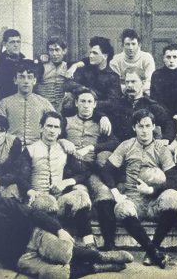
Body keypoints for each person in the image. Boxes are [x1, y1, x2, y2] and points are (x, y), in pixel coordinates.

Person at [0, 177, 133, 278]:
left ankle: (102, 256)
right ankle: (97, 267)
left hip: (34, 236)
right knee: (57, 275)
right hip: (17, 258)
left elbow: (33, 213)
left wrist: (58, 230)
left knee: (64, 253)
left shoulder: (1, 203)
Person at [101, 109, 177, 268]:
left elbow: (174, 180)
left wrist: (152, 190)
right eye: (140, 126)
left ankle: (152, 249)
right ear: (134, 127)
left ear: (153, 127)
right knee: (122, 208)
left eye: (147, 126)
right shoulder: (126, 145)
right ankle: (153, 252)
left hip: (155, 200)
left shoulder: (161, 148)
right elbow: (106, 170)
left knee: (173, 196)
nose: (144, 131)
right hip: (133, 198)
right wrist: (116, 193)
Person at [17, 111, 95, 248]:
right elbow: (21, 178)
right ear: (41, 127)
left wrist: (67, 182)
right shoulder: (30, 150)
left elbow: (85, 172)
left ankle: (90, 244)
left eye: (56, 127)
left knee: (81, 196)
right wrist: (30, 191)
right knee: (48, 202)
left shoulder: (64, 149)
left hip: (59, 200)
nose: (52, 130)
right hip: (38, 201)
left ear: (60, 131)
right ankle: (64, 245)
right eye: (49, 126)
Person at [64, 87, 119, 250]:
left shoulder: (100, 123)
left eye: (89, 102)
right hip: (72, 171)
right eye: (82, 101)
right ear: (76, 103)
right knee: (80, 195)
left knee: (104, 193)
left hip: (92, 170)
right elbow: (53, 135)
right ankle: (89, 244)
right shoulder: (66, 121)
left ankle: (110, 244)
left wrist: (92, 147)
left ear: (95, 104)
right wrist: (62, 141)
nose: (86, 105)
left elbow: (114, 142)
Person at [0, 59, 55, 147]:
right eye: (21, 77)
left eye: (29, 77)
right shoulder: (5, 103)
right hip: (11, 148)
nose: (26, 81)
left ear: (34, 80)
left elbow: (55, 124)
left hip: (37, 149)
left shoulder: (44, 103)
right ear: (15, 80)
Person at [110, 67, 176, 144]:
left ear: (143, 82)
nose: (129, 85)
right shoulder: (118, 104)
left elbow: (168, 123)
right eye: (127, 82)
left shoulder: (151, 105)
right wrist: (103, 117)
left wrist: (166, 139)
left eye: (133, 81)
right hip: (122, 146)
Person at [64, 36, 122, 116]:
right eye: (90, 52)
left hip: (102, 114)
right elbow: (69, 84)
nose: (91, 55)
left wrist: (91, 104)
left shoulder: (113, 77)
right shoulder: (84, 70)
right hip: (79, 112)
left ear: (105, 56)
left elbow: (113, 102)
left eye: (95, 53)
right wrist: (87, 91)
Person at [110, 29, 155, 93]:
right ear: (122, 46)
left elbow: (149, 80)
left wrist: (137, 92)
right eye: (127, 44)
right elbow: (115, 83)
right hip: (123, 93)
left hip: (142, 92)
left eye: (133, 44)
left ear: (139, 45)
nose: (131, 48)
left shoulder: (147, 58)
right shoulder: (116, 60)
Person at [35, 37, 71, 112]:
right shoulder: (41, 66)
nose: (54, 54)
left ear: (64, 51)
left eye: (57, 50)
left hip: (62, 109)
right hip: (42, 108)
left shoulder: (69, 66)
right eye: (51, 50)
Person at [0, 29, 26, 101]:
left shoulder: (24, 62)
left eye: (18, 42)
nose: (16, 45)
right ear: (5, 44)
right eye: (12, 42)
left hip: (22, 103)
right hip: (4, 103)